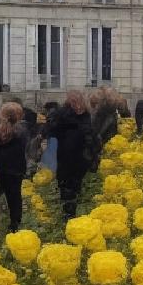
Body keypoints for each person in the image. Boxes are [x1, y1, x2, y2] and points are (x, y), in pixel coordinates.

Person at [49, 92, 97, 220]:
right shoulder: (82, 116)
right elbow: (90, 137)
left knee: (67, 188)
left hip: (68, 158)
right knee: (73, 187)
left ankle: (69, 215)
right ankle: (71, 214)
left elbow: (52, 133)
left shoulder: (62, 116)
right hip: (76, 158)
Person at [0, 103, 28, 231]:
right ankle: (15, 223)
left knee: (0, 195)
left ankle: (1, 220)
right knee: (15, 196)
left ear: (3, 115)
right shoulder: (22, 132)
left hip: (1, 169)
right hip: (17, 169)